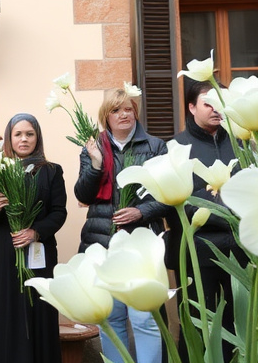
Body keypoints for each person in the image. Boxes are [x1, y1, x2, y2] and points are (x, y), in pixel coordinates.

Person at [73, 87, 167, 363]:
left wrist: (140, 212)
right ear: (106, 117)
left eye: (128, 109)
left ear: (135, 113)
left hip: (141, 242)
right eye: (116, 110)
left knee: (144, 318)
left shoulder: (155, 146)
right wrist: (96, 165)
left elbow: (166, 195)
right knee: (111, 319)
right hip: (103, 242)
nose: (123, 114)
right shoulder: (92, 148)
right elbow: (82, 195)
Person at [0, 114, 67, 363]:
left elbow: (59, 212)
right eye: (18, 134)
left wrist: (35, 231)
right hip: (7, 254)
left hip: (39, 252)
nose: (24, 139)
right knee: (9, 314)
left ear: (37, 137)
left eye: (29, 134)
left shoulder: (51, 171)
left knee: (40, 310)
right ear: (9, 138)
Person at [168, 79, 243, 362]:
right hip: (198, 255)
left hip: (238, 253)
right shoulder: (177, 147)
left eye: (219, 103)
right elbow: (182, 202)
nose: (215, 110)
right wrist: (229, 212)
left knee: (237, 326)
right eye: (207, 103)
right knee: (201, 327)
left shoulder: (239, 143)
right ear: (191, 107)